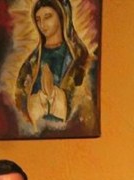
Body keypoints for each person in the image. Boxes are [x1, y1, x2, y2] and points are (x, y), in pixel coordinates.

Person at [14, 0, 93, 132]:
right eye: (38, 19)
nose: (42, 24)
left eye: (48, 17)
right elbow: (19, 97)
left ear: (61, 16)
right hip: (38, 129)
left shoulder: (79, 59)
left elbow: (84, 103)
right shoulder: (32, 61)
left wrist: (59, 98)